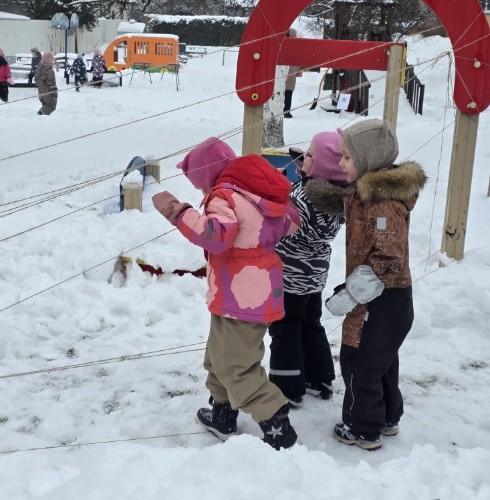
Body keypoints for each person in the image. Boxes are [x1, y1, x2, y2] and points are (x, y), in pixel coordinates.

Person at [152, 137, 301, 450]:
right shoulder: (253, 192)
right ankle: (223, 414)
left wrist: (178, 212)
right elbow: (288, 222)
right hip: (245, 292)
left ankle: (277, 425)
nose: (202, 194)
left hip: (241, 295)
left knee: (236, 365)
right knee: (218, 355)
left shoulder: (225, 196)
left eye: (200, 186)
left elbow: (216, 237)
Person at [325, 118, 427, 450]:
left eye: (346, 157)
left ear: (368, 160)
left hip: (381, 299)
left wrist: (352, 292)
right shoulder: (367, 194)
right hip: (384, 299)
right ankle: (387, 416)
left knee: (360, 362)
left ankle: (362, 428)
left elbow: (389, 259)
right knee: (382, 360)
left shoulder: (382, 204)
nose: (341, 163)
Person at [269, 131, 355, 407]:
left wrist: (276, 194)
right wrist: (305, 168)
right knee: (310, 323)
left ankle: (288, 386)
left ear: (320, 167)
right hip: (314, 275)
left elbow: (282, 223)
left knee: (285, 327)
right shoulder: (334, 198)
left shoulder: (302, 199)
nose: (303, 157)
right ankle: (320, 377)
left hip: (290, 275)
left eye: (309, 155)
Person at [283, 28, 301, 119]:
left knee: (283, 93)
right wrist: (299, 70)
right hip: (290, 73)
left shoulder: (282, 44)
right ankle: (286, 111)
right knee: (288, 94)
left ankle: (284, 111)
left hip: (286, 73)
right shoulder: (296, 46)